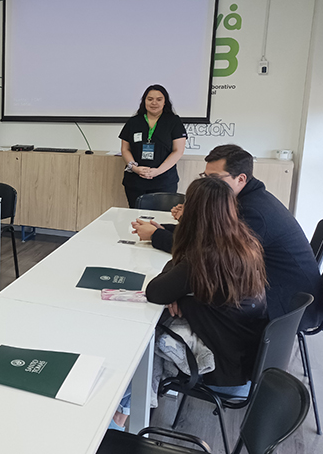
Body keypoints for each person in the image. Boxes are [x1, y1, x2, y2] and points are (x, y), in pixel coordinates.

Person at [112, 176, 268, 430]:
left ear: (194, 213)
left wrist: (178, 293)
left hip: (221, 368)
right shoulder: (244, 242)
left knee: (146, 333)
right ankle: (127, 411)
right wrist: (181, 294)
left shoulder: (205, 257)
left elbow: (155, 291)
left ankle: (121, 417)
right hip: (244, 360)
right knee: (160, 324)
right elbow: (175, 277)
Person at [131, 144, 323, 330]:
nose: (208, 184)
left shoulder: (251, 212)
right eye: (205, 177)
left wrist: (158, 238)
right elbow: (206, 243)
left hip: (282, 305)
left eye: (215, 178)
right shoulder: (249, 198)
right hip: (266, 294)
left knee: (170, 309)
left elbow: (208, 254)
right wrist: (163, 229)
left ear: (241, 179)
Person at [119, 85, 187, 208]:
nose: (154, 103)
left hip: (164, 181)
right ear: (144, 101)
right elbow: (125, 149)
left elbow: (178, 151)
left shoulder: (174, 121)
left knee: (161, 220)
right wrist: (134, 168)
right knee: (136, 218)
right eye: (150, 99)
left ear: (165, 101)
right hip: (135, 181)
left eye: (159, 99)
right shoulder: (133, 122)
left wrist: (157, 172)